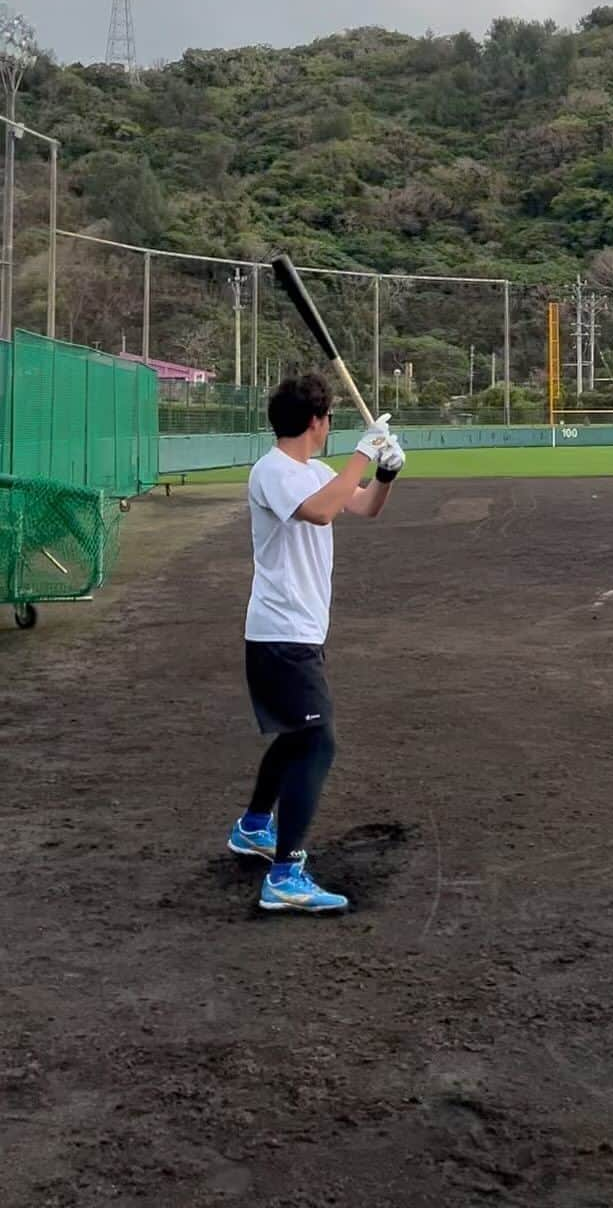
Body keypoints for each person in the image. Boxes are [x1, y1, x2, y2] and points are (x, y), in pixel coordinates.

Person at [227, 373, 405, 913]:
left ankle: (254, 827)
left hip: (299, 632)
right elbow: (320, 510)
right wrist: (362, 448)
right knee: (317, 741)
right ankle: (285, 876)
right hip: (281, 635)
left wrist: (385, 471)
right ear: (316, 421)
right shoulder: (273, 471)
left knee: (295, 737)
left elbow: (363, 506)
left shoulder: (315, 471)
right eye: (328, 420)